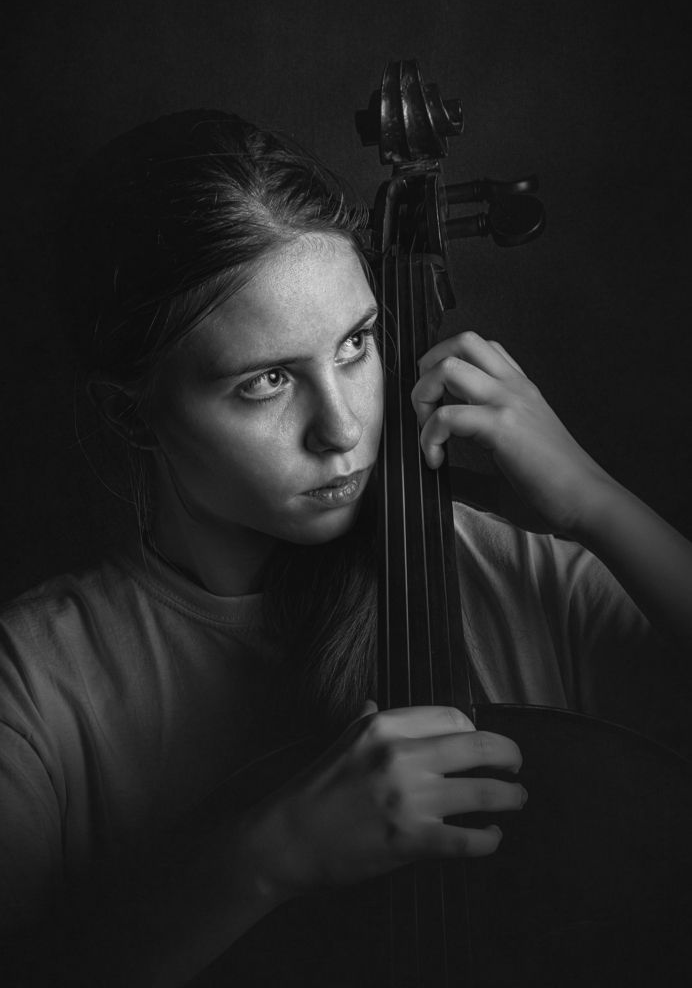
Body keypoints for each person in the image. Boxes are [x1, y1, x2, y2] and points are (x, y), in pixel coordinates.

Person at [1, 109, 691, 987]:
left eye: (357, 344)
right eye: (267, 381)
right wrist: (262, 858)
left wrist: (596, 503)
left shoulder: (510, 566)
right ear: (132, 414)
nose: (344, 428)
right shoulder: (32, 683)